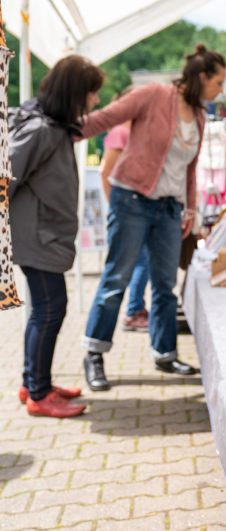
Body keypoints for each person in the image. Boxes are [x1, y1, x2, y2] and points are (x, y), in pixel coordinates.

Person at [80, 44, 226, 391]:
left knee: (164, 285)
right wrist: (64, 128)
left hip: (169, 209)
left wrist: (189, 207)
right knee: (118, 278)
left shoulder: (200, 115)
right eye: (218, 82)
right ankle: (94, 353)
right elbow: (106, 118)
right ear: (202, 77)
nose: (222, 89)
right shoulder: (153, 95)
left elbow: (190, 168)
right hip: (131, 199)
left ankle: (164, 352)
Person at [9, 55, 105, 417]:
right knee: (50, 310)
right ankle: (37, 393)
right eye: (91, 94)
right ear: (75, 93)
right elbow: (7, 176)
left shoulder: (53, 127)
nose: (94, 101)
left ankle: (35, 382)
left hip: (43, 236)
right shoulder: (42, 131)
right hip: (38, 239)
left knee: (45, 311)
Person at [98, 92, 150, 332]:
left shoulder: (131, 131)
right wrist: (116, 205)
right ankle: (134, 311)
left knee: (140, 261)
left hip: (135, 209)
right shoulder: (121, 132)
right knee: (135, 263)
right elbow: (105, 172)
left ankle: (135, 309)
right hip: (126, 210)